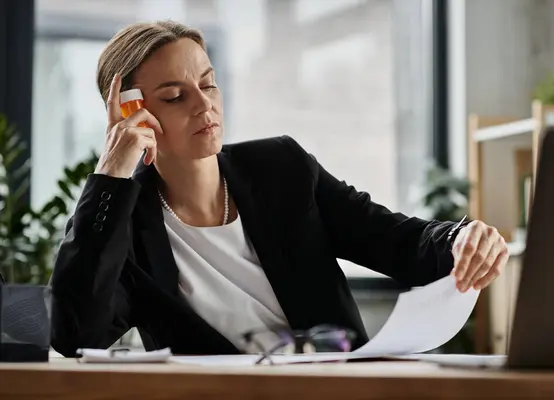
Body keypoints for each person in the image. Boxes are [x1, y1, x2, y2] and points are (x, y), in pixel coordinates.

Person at [49, 20, 508, 358]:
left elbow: (399, 242)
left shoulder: (280, 169)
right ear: (132, 113)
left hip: (336, 390)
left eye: (208, 84)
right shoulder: (121, 226)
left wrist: (461, 238)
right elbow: (75, 334)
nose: (204, 104)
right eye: (174, 96)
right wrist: (111, 171)